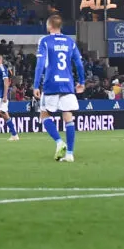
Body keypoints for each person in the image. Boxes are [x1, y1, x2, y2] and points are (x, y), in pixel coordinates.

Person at [33, 13, 85, 162]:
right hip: (67, 83)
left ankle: (59, 142)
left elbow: (40, 64)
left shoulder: (45, 41)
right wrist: (82, 81)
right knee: (68, 117)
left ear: (49, 26)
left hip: (51, 83)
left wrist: (36, 85)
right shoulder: (70, 42)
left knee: (44, 115)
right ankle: (70, 154)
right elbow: (79, 63)